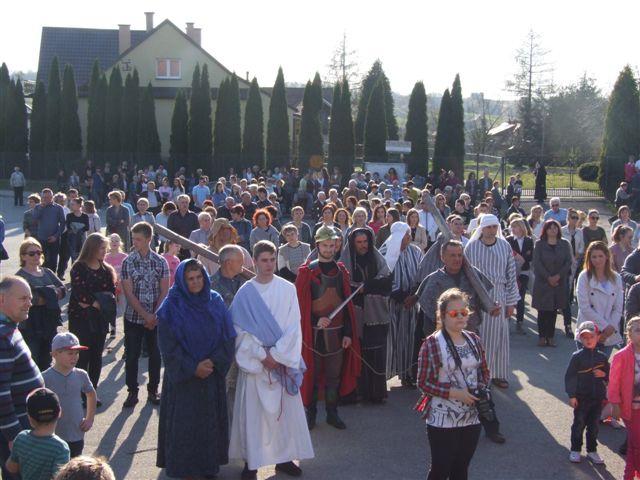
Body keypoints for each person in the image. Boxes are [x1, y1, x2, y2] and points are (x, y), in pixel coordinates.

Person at [229, 241, 314, 479]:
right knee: (253, 417)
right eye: (263, 260)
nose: (268, 264)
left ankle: (284, 459)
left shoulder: (287, 289)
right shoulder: (245, 293)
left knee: (284, 414)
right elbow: (238, 330)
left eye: (272, 259)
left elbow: (293, 326)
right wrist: (261, 355)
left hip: (281, 363)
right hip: (256, 364)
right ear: (254, 262)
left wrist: (277, 356)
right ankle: (252, 463)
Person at [156, 259, 236, 479]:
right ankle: (185, 470)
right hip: (184, 381)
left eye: (199, 277)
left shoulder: (215, 301)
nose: (196, 282)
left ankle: (208, 468)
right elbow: (168, 346)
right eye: (190, 279)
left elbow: (228, 337)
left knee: (209, 425)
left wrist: (213, 362)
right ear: (182, 280)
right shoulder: (171, 307)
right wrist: (193, 367)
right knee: (185, 428)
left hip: (210, 376)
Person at [415, 288, 491, 480]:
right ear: (442, 315)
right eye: (453, 313)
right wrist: (455, 393)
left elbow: (484, 371)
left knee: (461, 469)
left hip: (472, 416)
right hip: (442, 418)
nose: (460, 317)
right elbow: (423, 383)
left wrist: (481, 389)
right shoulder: (432, 343)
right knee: (441, 469)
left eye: (464, 312)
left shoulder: (474, 339)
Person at [295, 226, 360, 429]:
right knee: (312, 377)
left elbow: (347, 307)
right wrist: (315, 321)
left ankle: (332, 413)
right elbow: (301, 307)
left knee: (334, 377)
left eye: (332, 245)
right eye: (325, 245)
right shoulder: (307, 272)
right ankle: (311, 413)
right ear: (318, 245)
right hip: (313, 335)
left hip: (337, 334)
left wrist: (348, 333)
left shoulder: (341, 271)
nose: (329, 249)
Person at [464, 214, 519, 389]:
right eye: (488, 227)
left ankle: (499, 373)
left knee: (502, 336)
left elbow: (511, 275)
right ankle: (482, 375)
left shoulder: (504, 246)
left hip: (501, 294)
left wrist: (511, 302)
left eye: (494, 227)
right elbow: (468, 275)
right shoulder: (472, 247)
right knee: (484, 337)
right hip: (480, 295)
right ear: (482, 228)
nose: (492, 230)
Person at [0, 276, 46, 479]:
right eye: (23, 298)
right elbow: (0, 393)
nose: (30, 303)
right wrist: (14, 436)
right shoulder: (2, 337)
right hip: (17, 430)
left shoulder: (10, 328)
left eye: (30, 298)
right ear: (2, 299)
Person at [339, 228, 392, 403]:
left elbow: (386, 281)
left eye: (365, 242)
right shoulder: (346, 262)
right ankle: (357, 392)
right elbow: (344, 285)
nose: (363, 246)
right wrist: (359, 289)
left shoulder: (377, 259)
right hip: (355, 314)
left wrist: (366, 287)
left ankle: (376, 394)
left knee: (376, 351)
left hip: (376, 313)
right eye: (359, 242)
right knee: (357, 352)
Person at [121, 222, 169, 409]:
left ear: (149, 239)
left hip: (155, 318)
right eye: (133, 238)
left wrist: (154, 315)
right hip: (134, 317)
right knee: (132, 356)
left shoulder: (160, 261)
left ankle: (152, 389)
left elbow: (165, 290)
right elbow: (128, 293)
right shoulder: (128, 261)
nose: (135, 242)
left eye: (139, 239)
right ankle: (132, 391)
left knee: (155, 355)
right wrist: (145, 315)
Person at [68, 233, 116, 402]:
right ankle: (79, 393)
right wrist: (97, 302)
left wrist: (96, 302)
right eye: (102, 248)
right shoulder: (79, 267)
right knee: (82, 357)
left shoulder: (106, 270)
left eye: (106, 248)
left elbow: (110, 294)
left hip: (100, 320)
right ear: (92, 248)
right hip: (81, 320)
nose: (105, 251)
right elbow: (80, 297)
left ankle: (91, 393)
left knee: (96, 357)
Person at [379, 222, 423, 387]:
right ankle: (385, 375)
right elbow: (382, 276)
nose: (408, 238)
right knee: (390, 339)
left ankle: (408, 374)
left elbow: (422, 273)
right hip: (390, 302)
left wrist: (414, 295)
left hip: (411, 303)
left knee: (409, 338)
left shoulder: (416, 251)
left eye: (409, 235)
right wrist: (398, 294)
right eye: (406, 235)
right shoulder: (383, 252)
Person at [42, 332, 96, 458]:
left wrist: (89, 419)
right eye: (70, 353)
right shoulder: (45, 378)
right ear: (55, 354)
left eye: (77, 353)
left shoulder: (81, 374)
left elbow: (91, 394)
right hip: (53, 434)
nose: (75, 357)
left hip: (76, 432)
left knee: (74, 468)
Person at [16, 238, 65, 371]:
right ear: (23, 256)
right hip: (31, 324)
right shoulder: (20, 277)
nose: (36, 255)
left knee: (47, 360)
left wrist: (46, 294)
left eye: (38, 252)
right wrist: (51, 294)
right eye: (32, 253)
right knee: (32, 361)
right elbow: (32, 300)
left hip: (49, 322)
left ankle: (43, 390)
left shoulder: (47, 272)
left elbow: (62, 290)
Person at [565, 321, 609, 465]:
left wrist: (603, 374)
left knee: (594, 426)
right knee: (578, 424)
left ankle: (592, 451)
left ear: (598, 337)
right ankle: (575, 449)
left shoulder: (602, 357)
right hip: (582, 398)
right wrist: (571, 395)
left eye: (591, 336)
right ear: (580, 339)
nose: (588, 340)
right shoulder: (577, 356)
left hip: (597, 398)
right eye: (585, 337)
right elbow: (570, 377)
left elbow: (610, 376)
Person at [5, 388, 70, 479]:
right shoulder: (60, 448)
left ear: (29, 417)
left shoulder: (21, 438)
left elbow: (11, 468)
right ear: (59, 412)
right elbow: (60, 477)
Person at [576, 241, 624, 358]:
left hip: (609, 334)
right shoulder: (584, 276)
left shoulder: (616, 278)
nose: (597, 260)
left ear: (607, 256)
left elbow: (618, 308)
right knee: (586, 369)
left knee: (602, 370)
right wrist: (603, 327)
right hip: (588, 330)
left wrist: (609, 328)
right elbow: (584, 307)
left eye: (600, 256)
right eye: (594, 257)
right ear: (589, 258)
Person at [532, 220, 572, 347]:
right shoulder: (539, 244)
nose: (553, 230)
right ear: (546, 229)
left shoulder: (564, 243)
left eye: (555, 227)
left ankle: (551, 336)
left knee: (553, 310)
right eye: (550, 228)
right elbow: (537, 263)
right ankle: (542, 336)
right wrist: (548, 277)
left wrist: (558, 276)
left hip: (559, 282)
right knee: (542, 311)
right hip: (543, 282)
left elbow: (568, 262)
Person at [609, 316, 640, 479]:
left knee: (633, 447)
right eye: (638, 330)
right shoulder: (621, 356)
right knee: (637, 444)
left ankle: (628, 475)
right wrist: (615, 404)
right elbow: (613, 384)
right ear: (629, 334)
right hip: (631, 408)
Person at [506, 218, 534, 335]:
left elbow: (530, 256)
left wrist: (523, 259)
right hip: (511, 273)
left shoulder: (529, 240)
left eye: (515, 226)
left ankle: (520, 322)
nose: (512, 229)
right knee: (509, 296)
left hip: (524, 271)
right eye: (511, 226)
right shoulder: (508, 240)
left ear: (521, 227)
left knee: (521, 296)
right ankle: (507, 321)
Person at [562, 208, 586, 338]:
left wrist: (578, 254)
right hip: (563, 261)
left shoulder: (579, 232)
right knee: (566, 284)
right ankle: (566, 300)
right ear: (568, 218)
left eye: (577, 218)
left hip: (575, 260)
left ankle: (569, 299)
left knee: (571, 282)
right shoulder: (562, 230)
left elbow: (582, 245)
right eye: (573, 217)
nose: (575, 220)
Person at [32, 188, 66, 272]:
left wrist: (56, 236)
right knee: (42, 259)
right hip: (42, 238)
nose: (46, 199)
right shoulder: (37, 207)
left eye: (48, 197)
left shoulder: (58, 208)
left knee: (53, 259)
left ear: (52, 197)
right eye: (44, 197)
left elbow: (62, 223)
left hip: (54, 238)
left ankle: (52, 277)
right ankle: (42, 276)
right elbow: (34, 218)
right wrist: (41, 207)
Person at [167, 194, 200, 261]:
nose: (184, 204)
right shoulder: (172, 216)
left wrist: (187, 244)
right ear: (178, 204)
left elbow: (196, 232)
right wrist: (180, 243)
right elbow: (170, 231)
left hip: (190, 248)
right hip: (175, 247)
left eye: (186, 202)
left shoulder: (193, 216)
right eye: (182, 202)